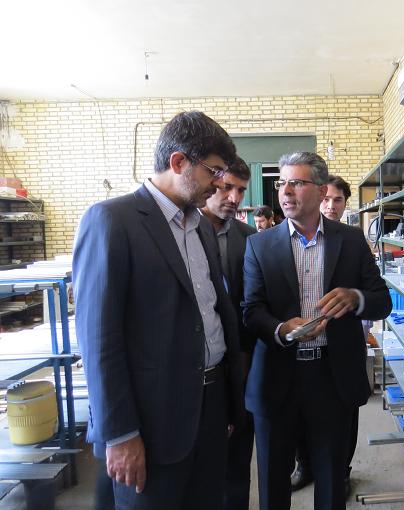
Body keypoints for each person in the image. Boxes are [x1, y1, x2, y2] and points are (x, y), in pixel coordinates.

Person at [73, 111, 245, 510]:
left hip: (211, 407)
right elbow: (99, 340)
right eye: (214, 171)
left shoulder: (200, 226)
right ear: (179, 162)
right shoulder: (112, 220)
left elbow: (212, 314)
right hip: (151, 423)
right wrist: (120, 434)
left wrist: (226, 402)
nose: (220, 183)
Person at [243, 152, 392, 510]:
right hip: (278, 375)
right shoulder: (260, 245)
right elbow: (251, 310)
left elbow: (382, 301)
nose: (285, 191)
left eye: (296, 183)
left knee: (331, 478)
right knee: (273, 480)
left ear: (321, 190)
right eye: (282, 183)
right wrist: (282, 329)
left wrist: (355, 298)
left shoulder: (351, 241)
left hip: (332, 376)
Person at [291, 174, 361, 497]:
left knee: (342, 422)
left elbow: (377, 296)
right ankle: (304, 465)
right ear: (318, 197)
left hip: (340, 353)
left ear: (345, 205)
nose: (331, 206)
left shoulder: (353, 241)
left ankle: (341, 471)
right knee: (299, 418)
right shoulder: (283, 241)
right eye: (327, 199)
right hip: (296, 353)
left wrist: (355, 298)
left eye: (338, 201)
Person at [201, 156, 257, 510]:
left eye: (241, 190)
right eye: (226, 188)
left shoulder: (250, 238)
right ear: (210, 182)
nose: (234, 198)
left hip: (240, 364)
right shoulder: (181, 234)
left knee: (238, 458)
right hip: (198, 369)